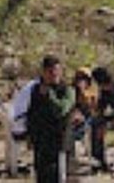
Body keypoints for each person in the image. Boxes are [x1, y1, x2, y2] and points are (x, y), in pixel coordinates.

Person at [26, 54, 75, 183]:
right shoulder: (36, 90)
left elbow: (61, 110)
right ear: (43, 72)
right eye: (50, 71)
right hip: (41, 143)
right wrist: (30, 135)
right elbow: (32, 113)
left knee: (60, 177)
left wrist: (49, 95)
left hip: (60, 142)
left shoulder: (67, 90)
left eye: (56, 71)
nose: (54, 74)